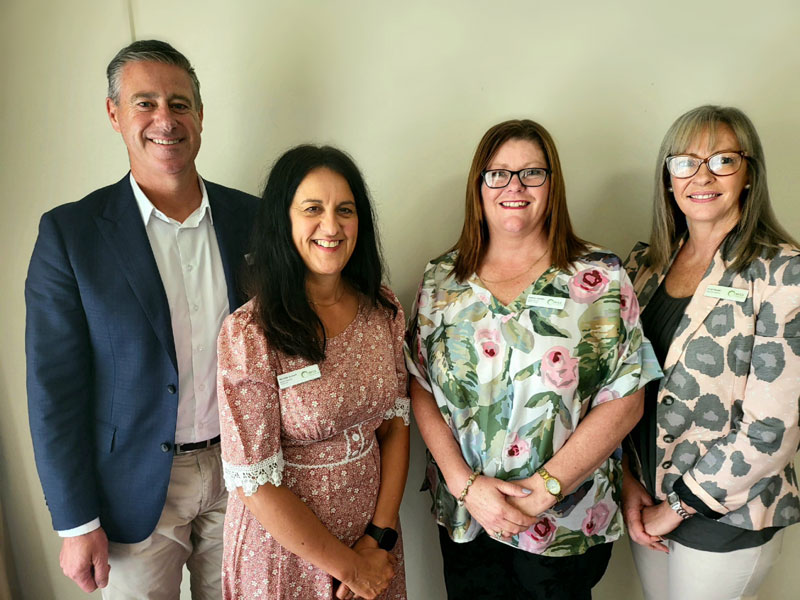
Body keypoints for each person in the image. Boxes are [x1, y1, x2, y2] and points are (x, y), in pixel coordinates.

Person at [25, 40, 258, 598]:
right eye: (144, 103)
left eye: (179, 104)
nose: (165, 120)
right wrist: (76, 522)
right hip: (133, 490)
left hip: (245, 477)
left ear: (200, 115)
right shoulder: (71, 235)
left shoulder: (253, 217)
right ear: (114, 114)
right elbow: (54, 390)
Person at [405, 119, 661, 599]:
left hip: (566, 521)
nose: (515, 187)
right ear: (478, 186)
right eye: (498, 174)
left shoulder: (599, 278)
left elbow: (627, 398)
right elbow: (420, 385)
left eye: (532, 173)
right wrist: (465, 486)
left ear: (552, 183)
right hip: (470, 518)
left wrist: (545, 490)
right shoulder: (442, 280)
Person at [621, 105, 800, 600]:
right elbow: (618, 386)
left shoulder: (784, 273)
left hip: (726, 514)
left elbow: (772, 429)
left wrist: (676, 508)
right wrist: (628, 481)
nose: (702, 176)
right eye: (685, 162)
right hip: (646, 498)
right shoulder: (644, 266)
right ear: (668, 178)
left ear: (749, 174)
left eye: (722, 160)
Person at [217, 144, 410, 600]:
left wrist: (378, 538)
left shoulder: (382, 310)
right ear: (282, 221)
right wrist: (350, 568)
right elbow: (255, 483)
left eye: (345, 209)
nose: (331, 226)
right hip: (285, 557)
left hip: (373, 545)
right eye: (312, 209)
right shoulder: (250, 333)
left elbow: (395, 427)